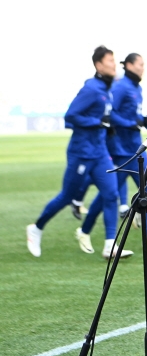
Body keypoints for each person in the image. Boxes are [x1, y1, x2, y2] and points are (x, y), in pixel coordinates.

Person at [26, 46, 130, 259]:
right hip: (81, 153)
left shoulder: (106, 89)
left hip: (100, 152)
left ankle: (110, 245)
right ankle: (36, 228)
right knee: (67, 197)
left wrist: (107, 127)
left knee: (111, 194)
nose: (113, 64)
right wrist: (97, 122)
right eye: (110, 60)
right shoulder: (91, 89)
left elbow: (104, 118)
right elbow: (71, 116)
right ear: (98, 65)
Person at [78, 53, 147, 251]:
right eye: (140, 64)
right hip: (121, 151)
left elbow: (134, 114)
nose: (142, 68)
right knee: (107, 196)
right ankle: (85, 231)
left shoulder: (137, 87)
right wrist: (130, 124)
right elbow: (110, 113)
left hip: (137, 147)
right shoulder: (120, 87)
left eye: (143, 64)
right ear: (129, 65)